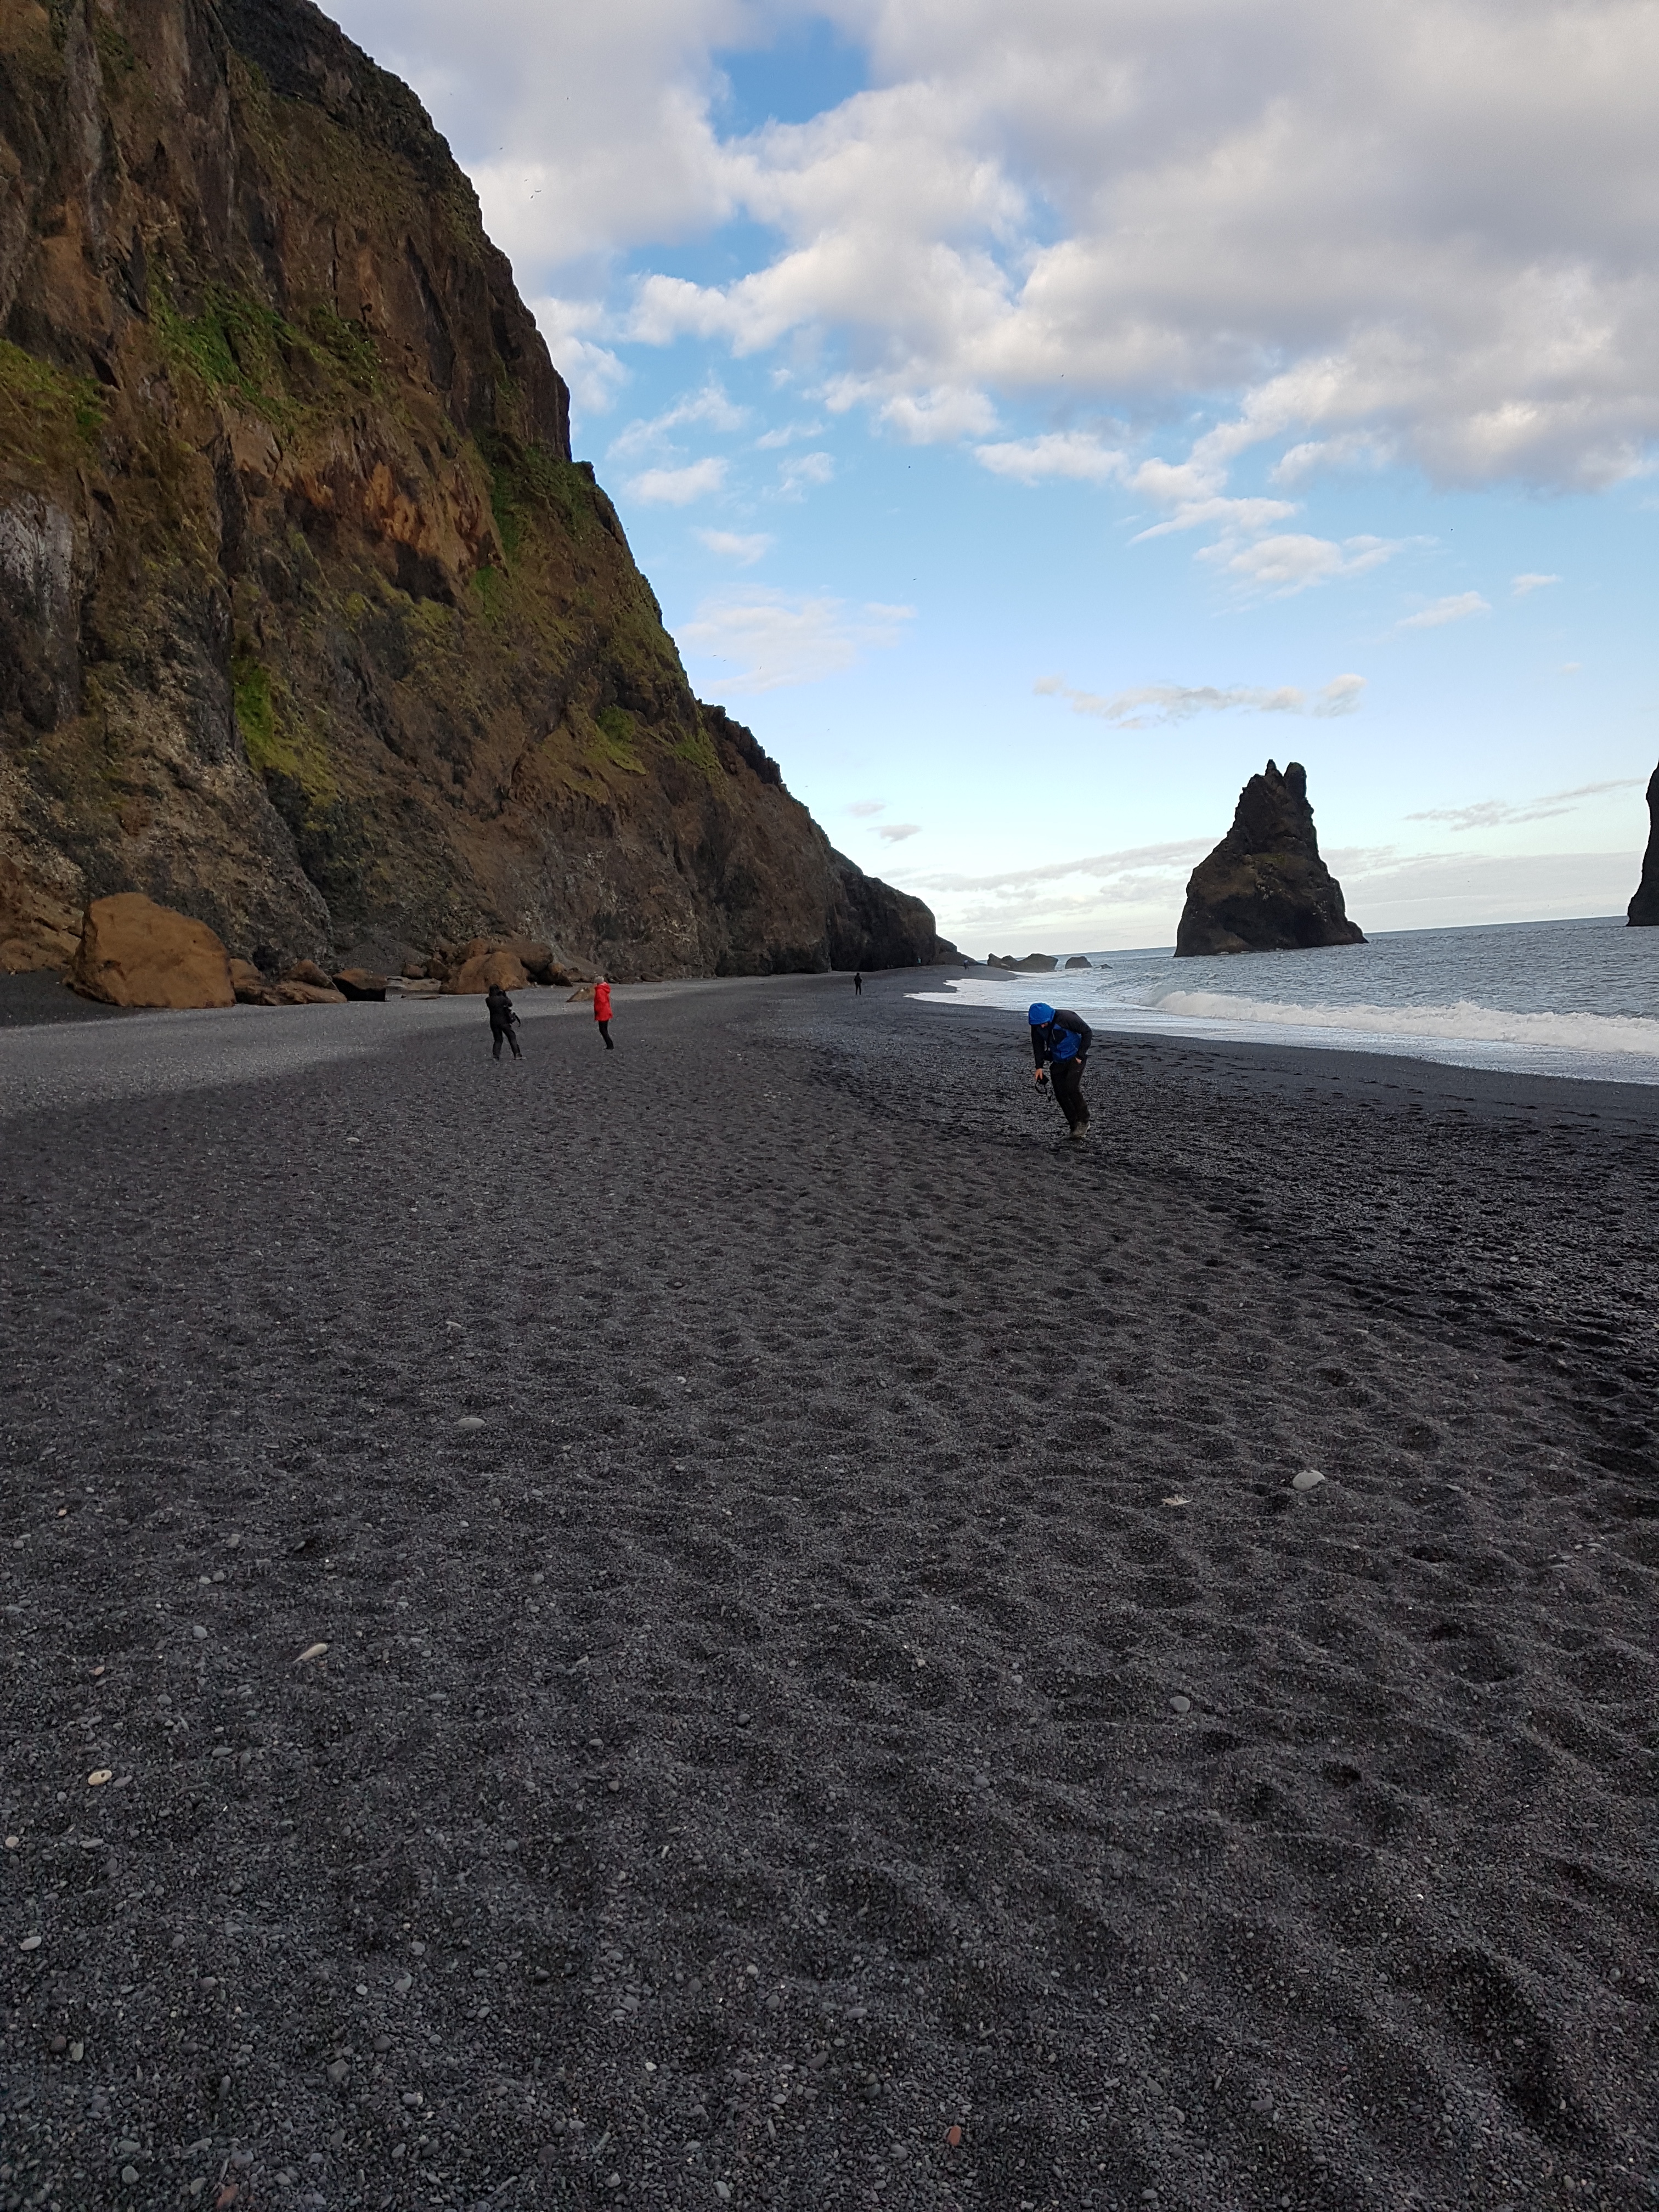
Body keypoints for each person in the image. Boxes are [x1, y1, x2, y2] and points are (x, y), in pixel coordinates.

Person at [1028, 1000, 1092, 1138]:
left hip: (1075, 1057)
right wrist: (1039, 1067)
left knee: (1071, 1088)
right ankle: (1074, 1126)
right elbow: (1037, 1045)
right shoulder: (1037, 1025)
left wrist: (1080, 1055)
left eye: (1044, 1023)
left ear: (1049, 1017)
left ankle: (1084, 1120)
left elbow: (1087, 1032)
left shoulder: (1066, 1018)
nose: (1042, 1026)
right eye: (1039, 1024)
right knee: (1060, 1093)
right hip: (1058, 1059)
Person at [486, 980, 521, 1060]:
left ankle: (496, 1056)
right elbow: (510, 1004)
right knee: (511, 1036)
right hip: (504, 1021)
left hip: (493, 1022)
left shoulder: (488, 1000)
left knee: (498, 1039)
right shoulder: (502, 999)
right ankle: (517, 1054)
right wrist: (505, 996)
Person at [594, 974, 615, 1049]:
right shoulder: (604, 989)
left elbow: (601, 1002)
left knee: (603, 1030)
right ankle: (610, 1045)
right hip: (606, 1011)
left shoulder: (599, 990)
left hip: (603, 1012)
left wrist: (597, 1011)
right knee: (604, 1029)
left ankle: (610, 1045)